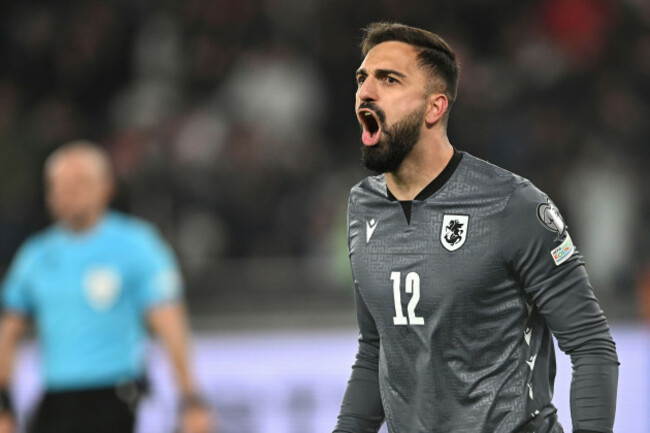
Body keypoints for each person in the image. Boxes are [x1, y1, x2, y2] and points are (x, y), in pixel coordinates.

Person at [333, 22, 618, 433]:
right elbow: (376, 348)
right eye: (363, 78)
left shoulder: (513, 205)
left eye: (389, 79)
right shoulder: (363, 206)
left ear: (434, 107)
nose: (366, 91)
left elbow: (591, 346)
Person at [0, 141, 214, 433]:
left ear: (105, 188)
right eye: (57, 184)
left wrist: (191, 398)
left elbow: (169, 324)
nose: (66, 193)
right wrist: (3, 402)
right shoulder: (36, 256)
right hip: (56, 395)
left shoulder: (137, 246)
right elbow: (9, 331)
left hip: (115, 392)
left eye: (78, 183)